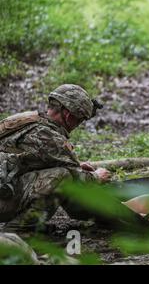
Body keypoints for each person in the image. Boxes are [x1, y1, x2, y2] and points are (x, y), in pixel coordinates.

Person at [0, 84, 111, 231]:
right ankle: (20, 231)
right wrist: (97, 177)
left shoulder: (25, 121)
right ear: (68, 115)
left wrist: (77, 165)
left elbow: (30, 159)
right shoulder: (49, 137)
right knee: (63, 177)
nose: (77, 125)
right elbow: (76, 177)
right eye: (79, 120)